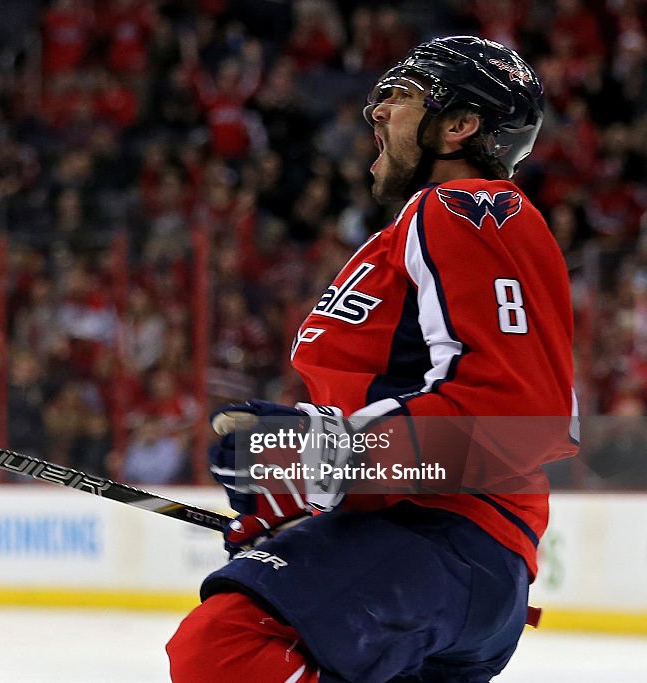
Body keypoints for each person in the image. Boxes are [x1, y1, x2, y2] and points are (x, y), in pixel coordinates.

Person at [167, 36, 578, 682]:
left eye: (403, 95)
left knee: (226, 643)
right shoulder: (410, 234)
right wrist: (307, 500)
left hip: (451, 537)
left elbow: (522, 413)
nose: (377, 112)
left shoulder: (466, 206)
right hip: (430, 549)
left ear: (461, 125)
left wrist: (323, 459)